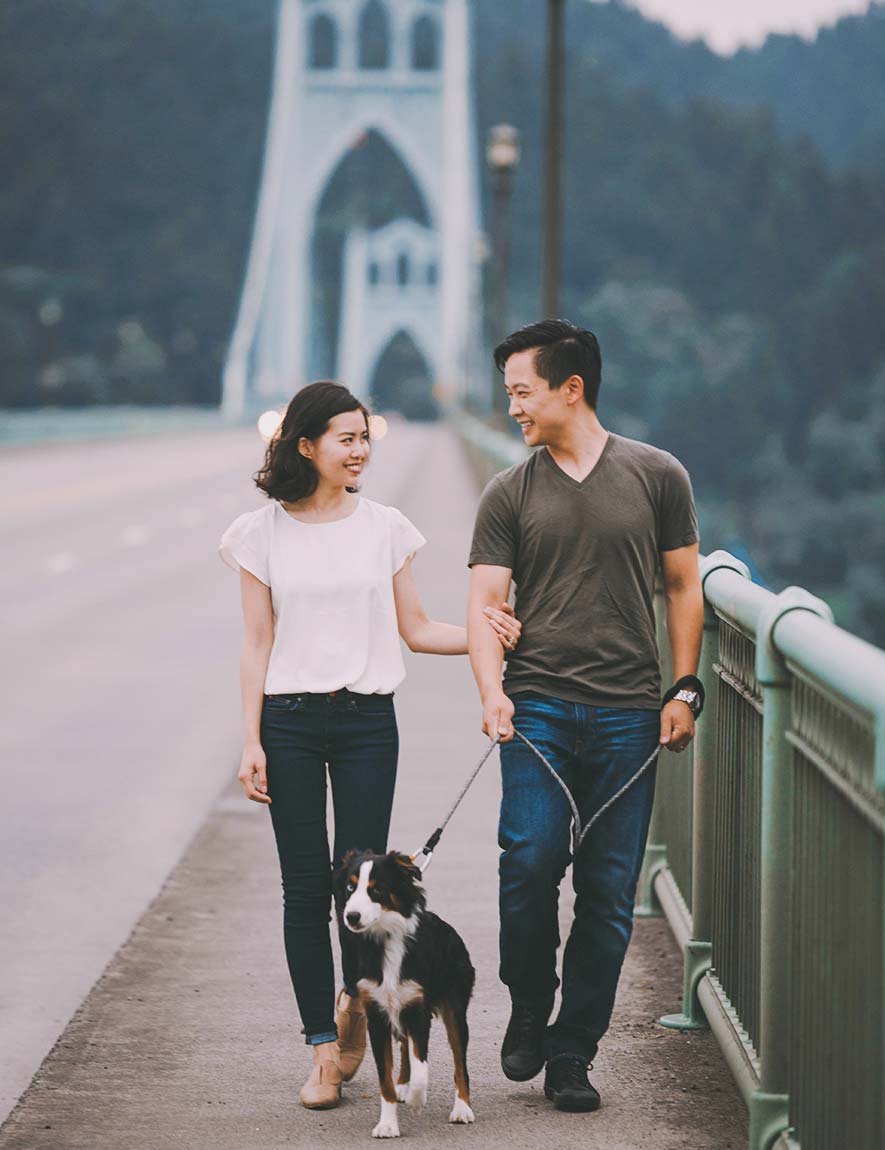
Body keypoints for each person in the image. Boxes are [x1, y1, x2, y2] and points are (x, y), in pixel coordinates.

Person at [219, 381, 520, 1112]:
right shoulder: (258, 533)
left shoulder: (385, 525)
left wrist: (494, 634)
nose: (360, 451)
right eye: (346, 439)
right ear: (306, 445)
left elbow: (415, 629)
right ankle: (324, 1051)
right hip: (289, 720)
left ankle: (359, 1006)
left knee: (361, 890)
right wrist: (252, 738)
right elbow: (256, 643)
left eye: (365, 438)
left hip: (366, 723)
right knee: (303, 887)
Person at [467, 320, 704, 1113]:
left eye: (522, 392)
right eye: (508, 396)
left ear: (572, 388)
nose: (513, 409)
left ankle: (573, 1050)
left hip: (630, 715)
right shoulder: (510, 491)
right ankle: (530, 998)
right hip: (535, 705)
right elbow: (483, 605)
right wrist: (492, 691)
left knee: (607, 893)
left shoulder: (658, 474)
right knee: (528, 862)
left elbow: (682, 586)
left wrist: (685, 687)